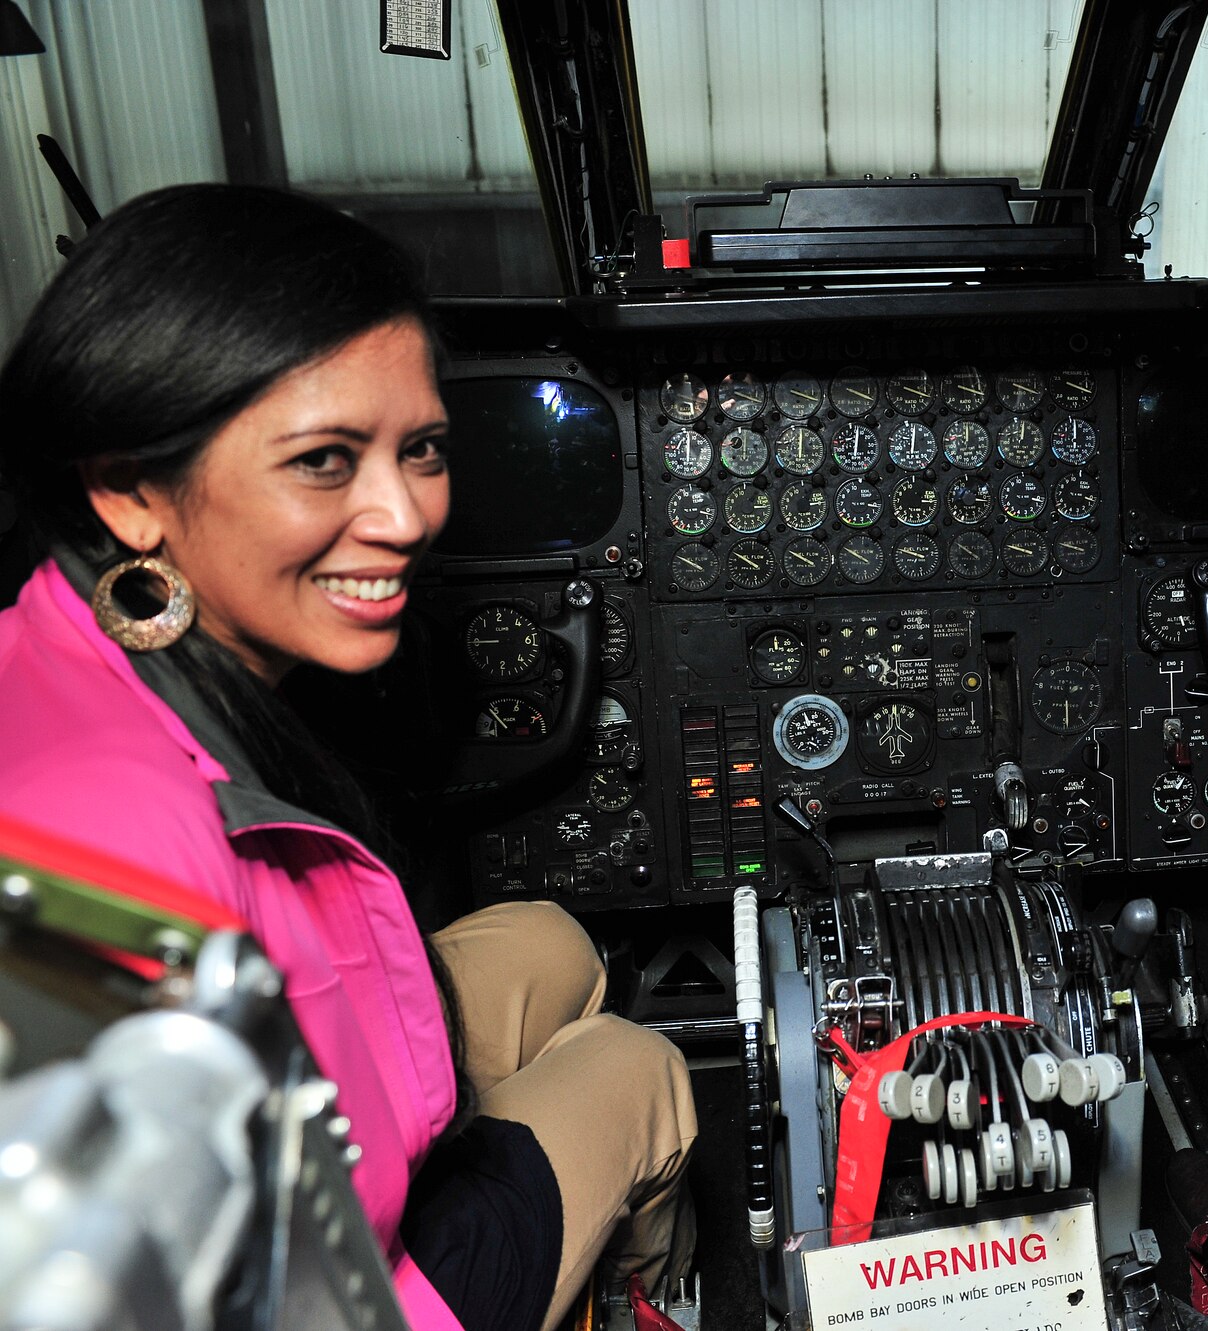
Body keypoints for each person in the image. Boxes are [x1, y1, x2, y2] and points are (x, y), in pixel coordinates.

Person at [0, 185, 696, 1331]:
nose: (405, 514)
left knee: (551, 938)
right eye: (325, 460)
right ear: (128, 488)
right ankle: (650, 1304)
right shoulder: (89, 846)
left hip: (323, 1110)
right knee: (638, 1065)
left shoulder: (83, 641)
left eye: (420, 448)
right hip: (369, 1289)